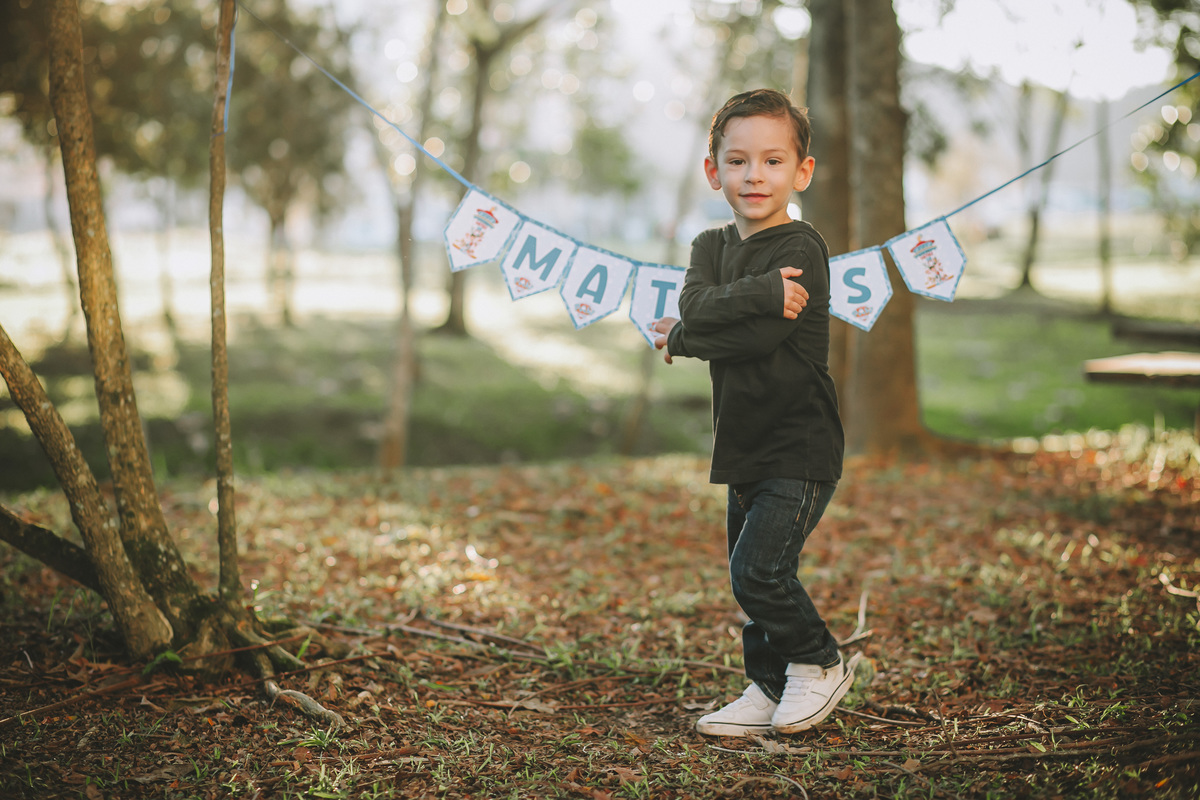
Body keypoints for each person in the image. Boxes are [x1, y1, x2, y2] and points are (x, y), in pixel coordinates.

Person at [652, 88, 857, 737]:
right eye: (737, 161)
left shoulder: (804, 247)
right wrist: (760, 294)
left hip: (800, 442)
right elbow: (695, 303)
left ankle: (818, 662)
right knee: (751, 577)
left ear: (802, 171)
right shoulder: (709, 246)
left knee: (759, 571)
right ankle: (768, 687)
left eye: (772, 161)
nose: (754, 175)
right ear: (714, 172)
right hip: (741, 441)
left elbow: (754, 338)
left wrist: (684, 337)